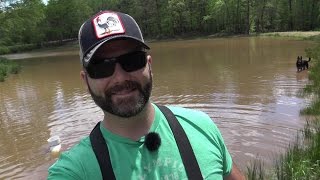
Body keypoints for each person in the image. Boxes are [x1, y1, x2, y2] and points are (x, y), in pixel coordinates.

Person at [48, 10, 245, 180]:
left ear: (149, 65)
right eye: (101, 67)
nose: (119, 77)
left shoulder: (201, 127)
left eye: (132, 60)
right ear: (85, 80)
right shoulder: (74, 170)